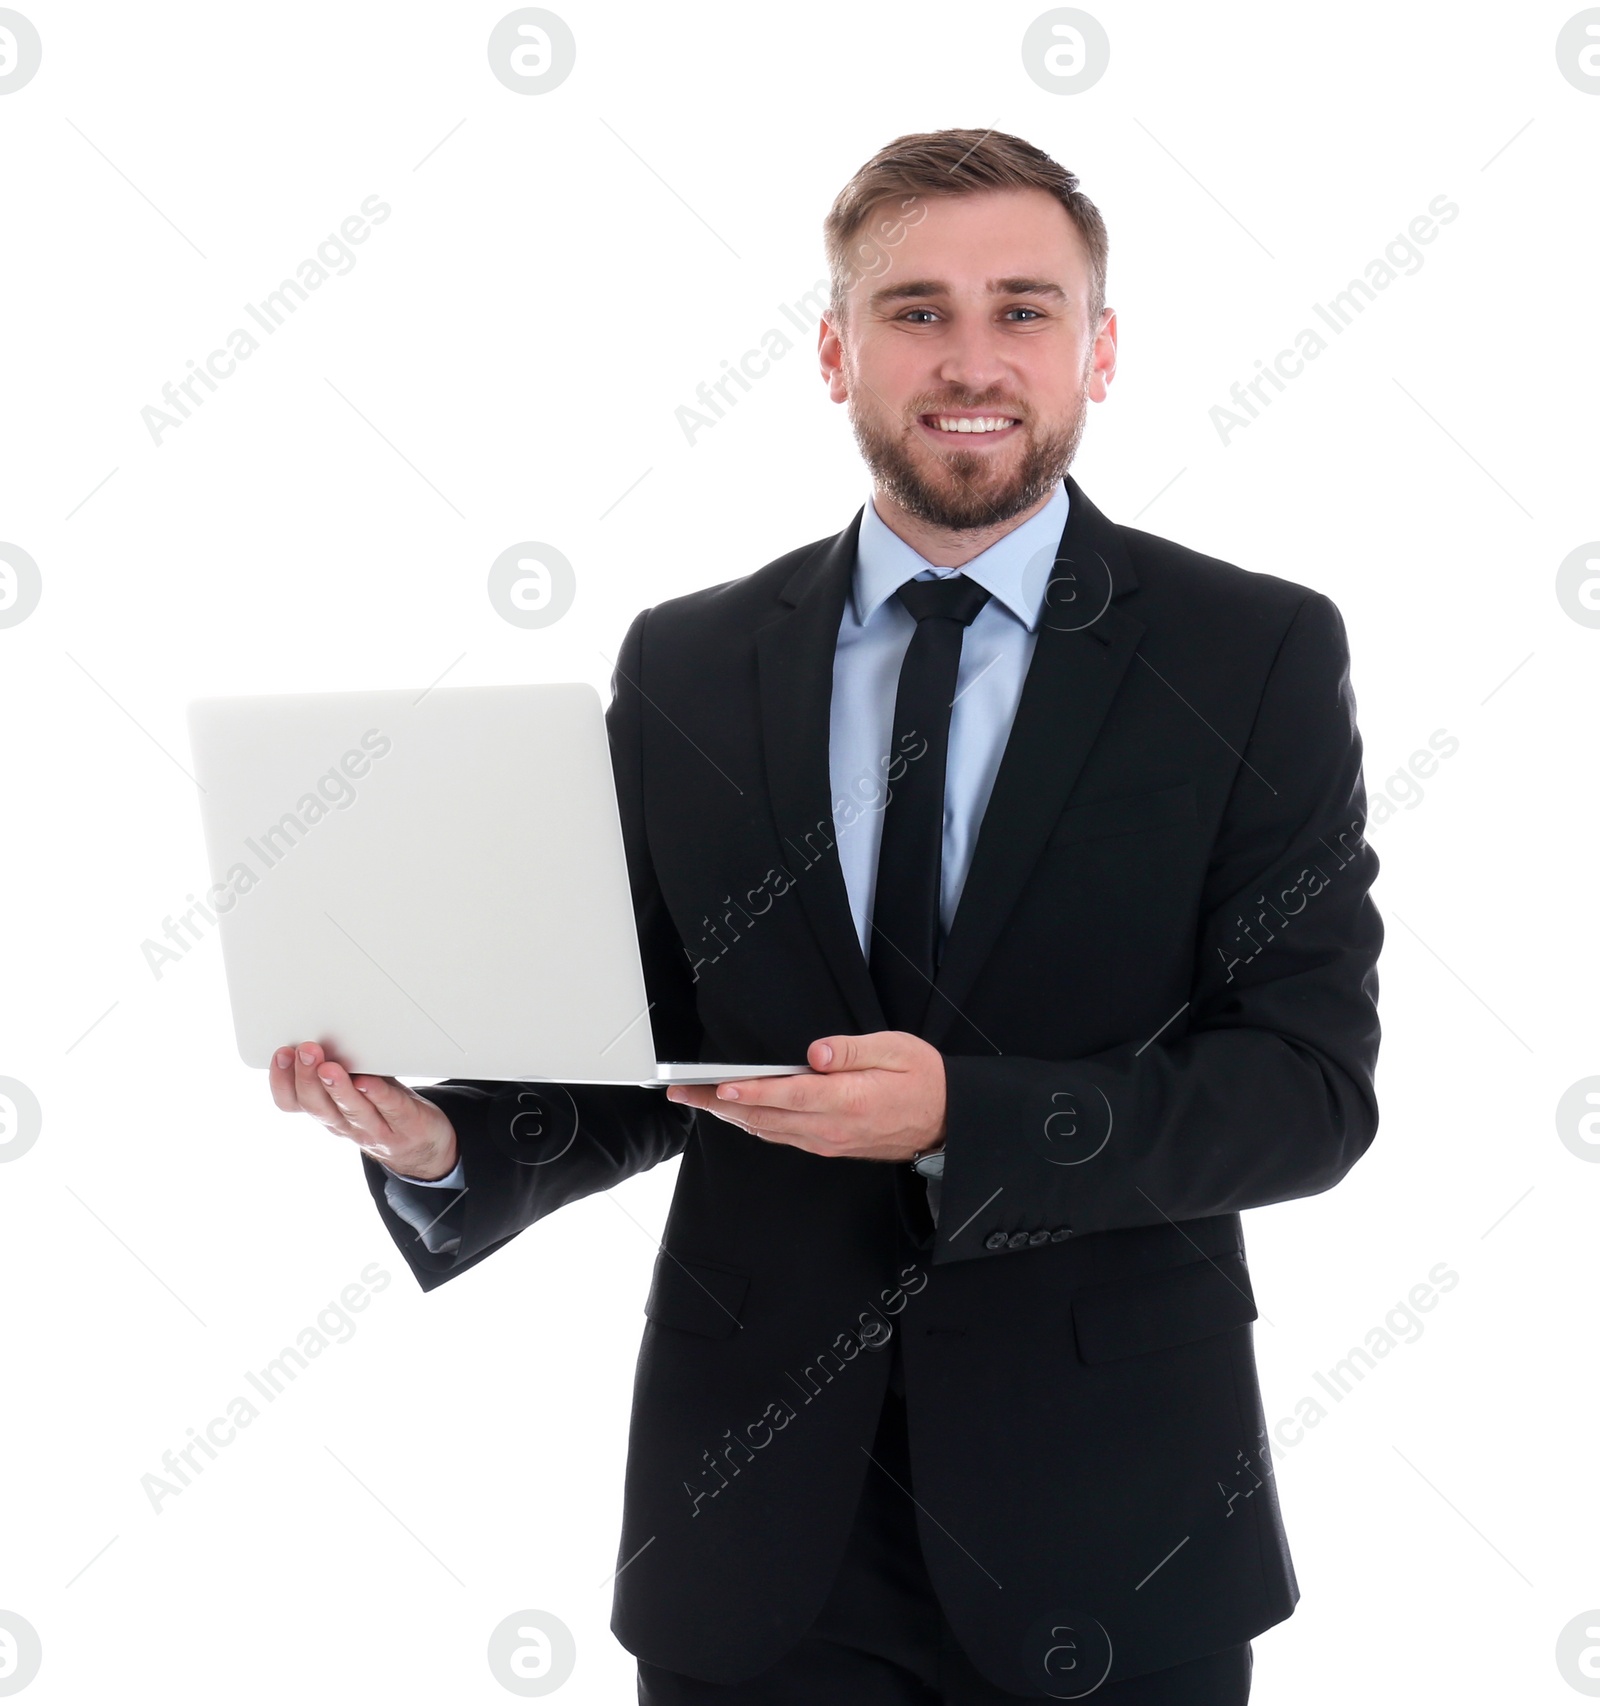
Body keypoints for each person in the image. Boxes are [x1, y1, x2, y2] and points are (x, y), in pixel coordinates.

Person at [270, 129, 1381, 1704]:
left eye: (1025, 308)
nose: (971, 359)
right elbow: (651, 1049)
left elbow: (1309, 1091)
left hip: (1117, 1525)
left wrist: (965, 1118)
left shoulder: (1247, 652)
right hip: (753, 1533)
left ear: (1101, 349)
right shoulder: (693, 663)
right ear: (836, 350)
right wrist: (441, 1141)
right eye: (918, 310)